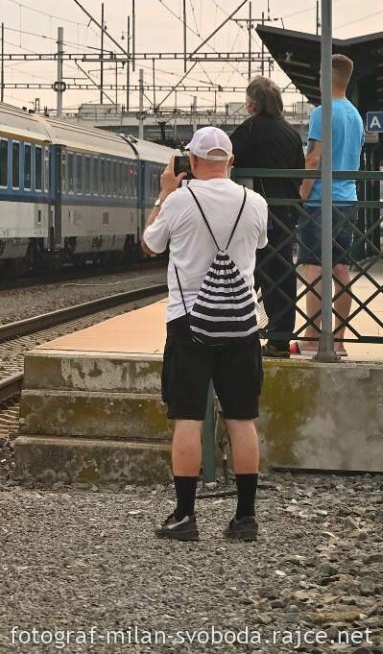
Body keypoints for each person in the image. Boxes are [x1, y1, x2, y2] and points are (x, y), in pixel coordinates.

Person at [142, 126, 269, 543]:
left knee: (188, 418)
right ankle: (245, 519)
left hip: (188, 322)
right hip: (242, 323)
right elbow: (260, 244)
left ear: (191, 163)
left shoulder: (178, 201)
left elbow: (149, 245)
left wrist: (163, 194)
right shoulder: (256, 203)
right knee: (242, 418)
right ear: (230, 162)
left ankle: (184, 516)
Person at [230, 77, 305, 357]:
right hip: (285, 214)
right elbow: (299, 171)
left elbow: (227, 158)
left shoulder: (250, 129)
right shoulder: (290, 132)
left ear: (252, 104)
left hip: (256, 214)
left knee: (246, 273)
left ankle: (241, 333)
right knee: (281, 274)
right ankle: (279, 337)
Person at [297, 53, 362, 358]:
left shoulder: (322, 113)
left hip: (321, 200)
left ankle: (311, 336)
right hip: (349, 200)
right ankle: (339, 340)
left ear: (325, 77)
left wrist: (301, 195)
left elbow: (313, 158)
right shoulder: (356, 116)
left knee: (314, 266)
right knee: (340, 268)